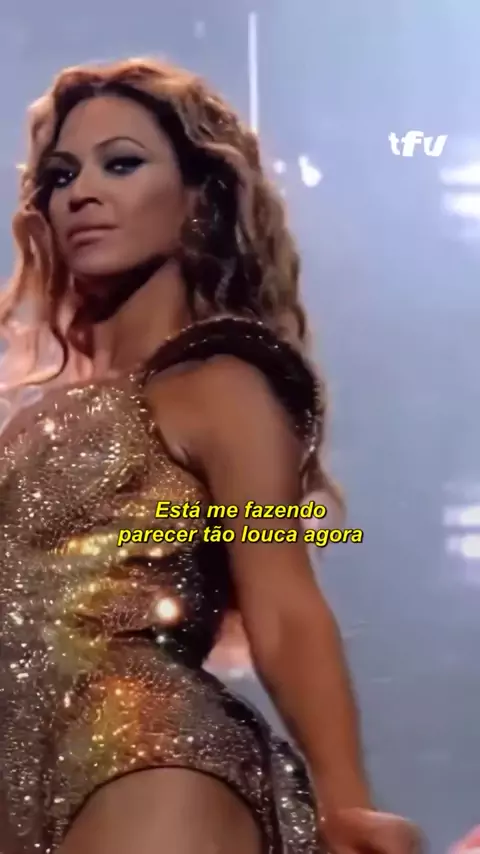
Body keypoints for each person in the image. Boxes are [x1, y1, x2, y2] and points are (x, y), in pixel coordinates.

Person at [0, 58, 420, 854]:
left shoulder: (220, 384)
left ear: (199, 197)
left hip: (145, 759)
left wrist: (347, 804)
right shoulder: (34, 418)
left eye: (121, 163)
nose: (81, 192)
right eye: (61, 175)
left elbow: (283, 600)